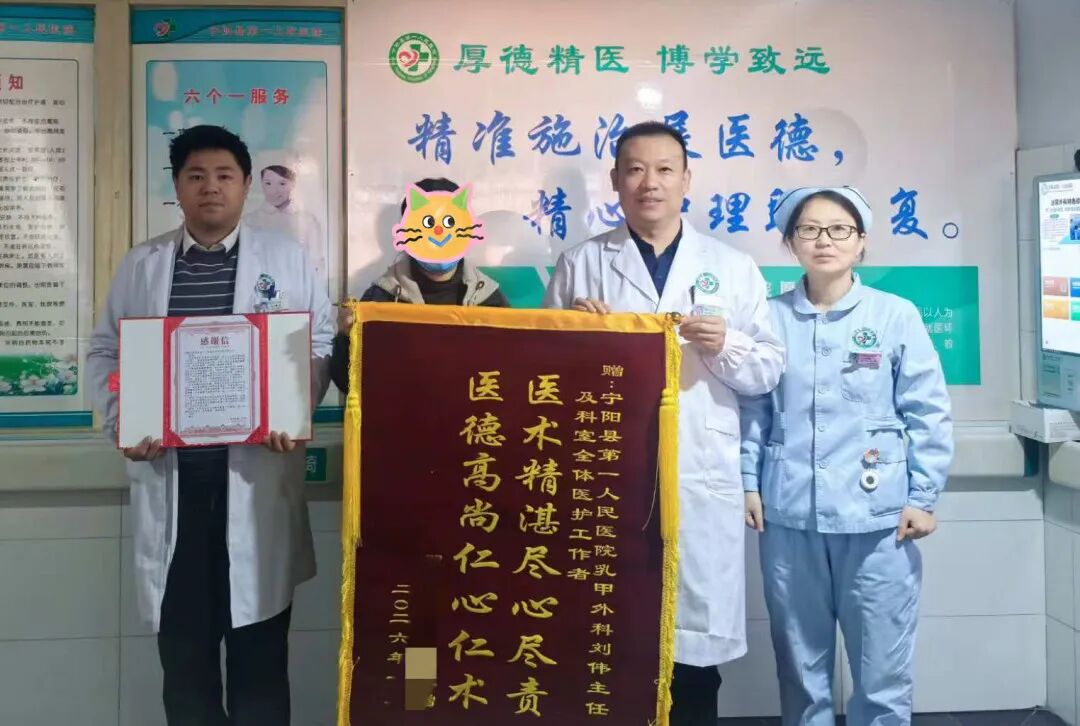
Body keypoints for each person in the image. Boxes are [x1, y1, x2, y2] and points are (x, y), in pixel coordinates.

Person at [87, 125, 333, 726]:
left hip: (253, 485)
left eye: (224, 175)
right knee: (186, 672)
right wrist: (125, 420)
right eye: (195, 176)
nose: (211, 188)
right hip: (177, 492)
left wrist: (293, 407)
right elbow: (105, 351)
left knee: (260, 670)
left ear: (246, 185)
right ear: (177, 188)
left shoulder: (286, 259)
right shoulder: (143, 265)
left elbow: (319, 339)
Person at [543, 121, 784, 725]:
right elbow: (545, 381)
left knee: (693, 653)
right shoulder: (581, 264)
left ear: (686, 180)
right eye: (634, 169)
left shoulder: (731, 267)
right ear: (615, 180)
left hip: (698, 471)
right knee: (609, 640)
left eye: (664, 169)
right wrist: (577, 337)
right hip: (605, 469)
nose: (649, 182)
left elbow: (767, 370)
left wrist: (725, 344)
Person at [740, 187, 953, 725]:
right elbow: (753, 410)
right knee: (800, 671)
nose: (824, 241)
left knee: (882, 674)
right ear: (791, 243)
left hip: (878, 521)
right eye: (809, 229)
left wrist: (924, 495)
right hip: (790, 516)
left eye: (839, 229)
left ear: (861, 242)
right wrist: (747, 482)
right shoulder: (768, 319)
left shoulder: (895, 315)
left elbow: (928, 410)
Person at [329, 177, 509, 394]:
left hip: (470, 415)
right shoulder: (381, 297)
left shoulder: (488, 298)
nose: (439, 232)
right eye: (427, 223)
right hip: (404, 415)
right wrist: (346, 338)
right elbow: (348, 383)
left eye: (450, 222)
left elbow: (511, 373)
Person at [244, 161, 325, 278]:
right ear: (261, 184)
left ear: (293, 185)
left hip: (299, 287)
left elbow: (316, 264)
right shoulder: (248, 221)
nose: (274, 190)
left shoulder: (308, 221)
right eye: (268, 183)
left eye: (282, 183)